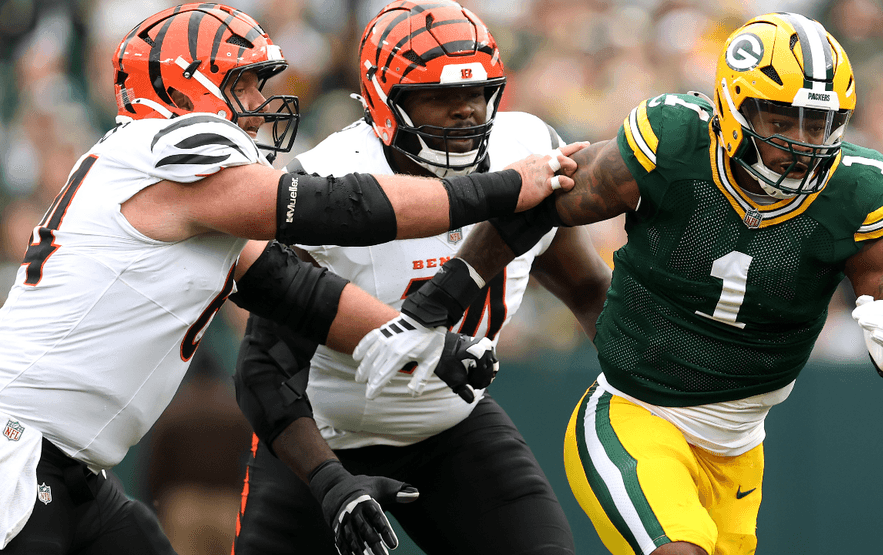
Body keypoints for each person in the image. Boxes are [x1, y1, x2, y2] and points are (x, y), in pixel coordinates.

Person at [0, 3, 584, 554]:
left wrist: (430, 343)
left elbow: (292, 290)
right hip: (12, 452)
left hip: (69, 463)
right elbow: (340, 208)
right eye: (243, 83)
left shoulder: (164, 185)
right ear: (180, 88)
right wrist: (507, 187)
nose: (260, 100)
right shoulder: (164, 147)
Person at [357, 12, 883, 555]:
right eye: (781, 118)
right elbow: (538, 206)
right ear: (733, 108)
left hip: (741, 448)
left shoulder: (858, 193)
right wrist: (438, 303)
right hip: (635, 413)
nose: (800, 144)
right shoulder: (674, 144)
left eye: (818, 123)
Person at [230, 2, 612, 555]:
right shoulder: (329, 185)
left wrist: (656, 393)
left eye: (475, 93)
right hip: (323, 440)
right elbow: (264, 371)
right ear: (385, 105)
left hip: (453, 424)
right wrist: (330, 483)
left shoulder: (523, 148)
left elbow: (584, 288)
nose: (463, 111)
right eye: (437, 96)